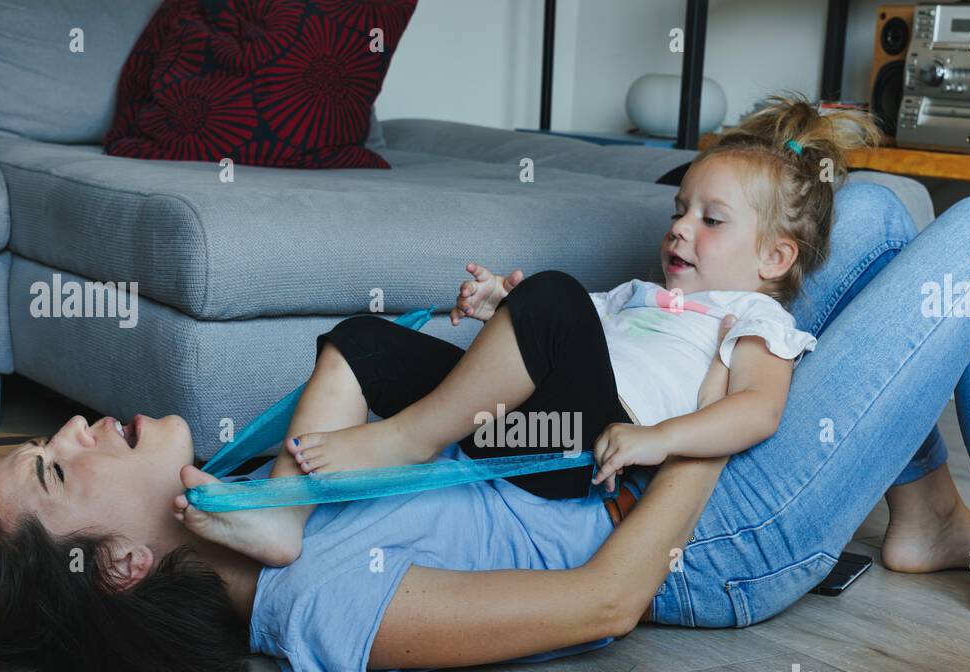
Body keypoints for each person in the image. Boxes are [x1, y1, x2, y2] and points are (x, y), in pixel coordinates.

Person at [0, 175, 970, 672]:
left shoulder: (252, 479)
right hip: (691, 534)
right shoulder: (317, 605)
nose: (78, 428)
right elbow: (605, 603)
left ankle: (924, 515)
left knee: (864, 207)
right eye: (56, 467)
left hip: (628, 443)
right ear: (124, 565)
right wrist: (709, 417)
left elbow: (444, 396)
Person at [178, 96, 881, 568]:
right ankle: (283, 514)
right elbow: (551, 339)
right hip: (518, 428)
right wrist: (500, 306)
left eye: (711, 218)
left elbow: (759, 409)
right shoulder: (640, 295)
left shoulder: (755, 318)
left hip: (583, 450)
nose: (679, 227)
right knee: (361, 337)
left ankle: (405, 439)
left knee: (555, 295)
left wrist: (656, 439)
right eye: (680, 208)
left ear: (775, 257)